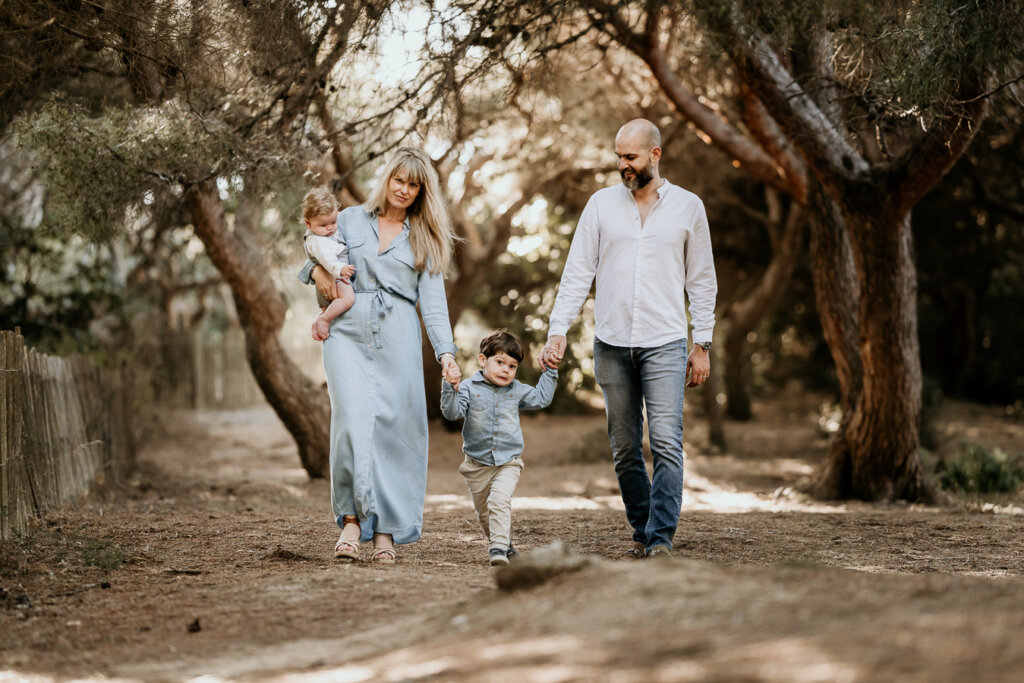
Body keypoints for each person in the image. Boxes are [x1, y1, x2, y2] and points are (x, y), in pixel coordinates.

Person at [540, 119, 717, 560]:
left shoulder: (689, 207)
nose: (623, 165)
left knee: (666, 443)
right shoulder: (600, 205)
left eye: (631, 157)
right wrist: (558, 330)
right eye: (618, 156)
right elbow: (577, 272)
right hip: (612, 342)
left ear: (655, 155)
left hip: (666, 342)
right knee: (623, 447)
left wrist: (704, 342)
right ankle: (642, 527)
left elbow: (702, 279)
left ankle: (660, 538)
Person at [299, 147, 462, 564]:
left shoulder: (426, 238)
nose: (404, 190)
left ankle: (386, 531)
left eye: (413, 185)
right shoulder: (351, 219)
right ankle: (353, 521)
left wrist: (446, 354)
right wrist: (318, 273)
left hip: (398, 337)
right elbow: (313, 254)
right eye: (399, 180)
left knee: (393, 429)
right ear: (387, 178)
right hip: (346, 333)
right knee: (352, 422)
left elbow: (434, 303)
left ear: (422, 191)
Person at [441, 330, 558, 566]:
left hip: (508, 462)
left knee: (499, 501)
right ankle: (506, 546)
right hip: (476, 465)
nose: (506, 370)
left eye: (512, 366)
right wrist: (449, 386)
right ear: (483, 360)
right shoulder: (468, 387)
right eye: (500, 362)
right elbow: (452, 413)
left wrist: (550, 371)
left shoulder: (516, 390)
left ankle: (497, 550)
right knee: (485, 514)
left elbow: (542, 398)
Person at [300, 187, 356, 341]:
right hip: (334, 276)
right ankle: (324, 320)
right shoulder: (316, 240)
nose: (331, 228)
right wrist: (341, 269)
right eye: (324, 225)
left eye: (334, 221)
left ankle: (319, 319)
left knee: (327, 308)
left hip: (333, 276)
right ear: (308, 223)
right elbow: (328, 260)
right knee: (348, 299)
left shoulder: (326, 228)